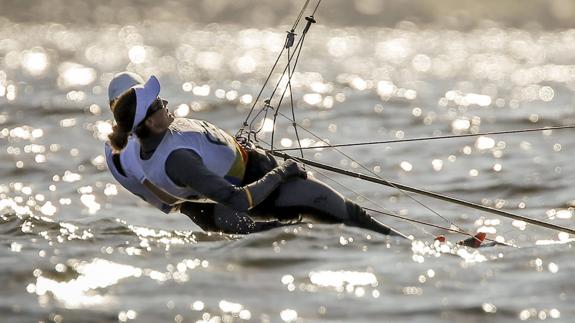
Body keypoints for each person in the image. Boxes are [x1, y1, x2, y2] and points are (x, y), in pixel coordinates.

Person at [108, 75, 407, 237]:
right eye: (159, 103)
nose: (165, 103)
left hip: (252, 172)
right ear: (147, 121)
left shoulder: (161, 135)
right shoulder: (174, 160)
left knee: (328, 228)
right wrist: (283, 172)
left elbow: (202, 146)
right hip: (258, 189)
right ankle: (416, 253)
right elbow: (233, 199)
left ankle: (407, 253)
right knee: (350, 217)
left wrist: (230, 147)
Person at [105, 72, 274, 232]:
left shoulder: (120, 141)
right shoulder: (132, 146)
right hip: (204, 204)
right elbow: (168, 198)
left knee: (264, 238)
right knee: (268, 232)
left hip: (197, 204)